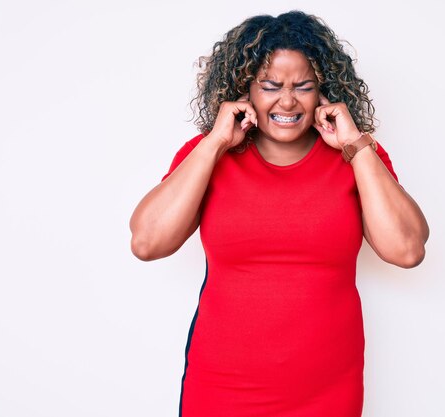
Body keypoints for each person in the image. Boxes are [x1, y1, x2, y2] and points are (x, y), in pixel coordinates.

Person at [129, 10, 429, 417]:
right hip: (221, 388)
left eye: (302, 86)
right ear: (245, 90)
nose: (287, 101)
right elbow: (147, 242)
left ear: (324, 90)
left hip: (327, 392)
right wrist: (216, 141)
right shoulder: (208, 155)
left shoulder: (357, 156)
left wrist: (357, 145)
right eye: (270, 86)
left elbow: (407, 250)